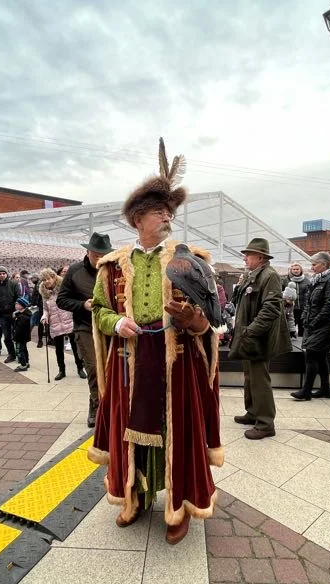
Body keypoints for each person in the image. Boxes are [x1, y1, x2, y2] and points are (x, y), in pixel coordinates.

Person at [88, 138, 222, 545]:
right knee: (128, 431)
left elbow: (210, 324)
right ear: (136, 221)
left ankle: (178, 507)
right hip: (130, 359)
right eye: (157, 211)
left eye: (169, 211)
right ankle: (134, 498)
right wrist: (116, 324)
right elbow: (97, 309)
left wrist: (193, 320)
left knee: (177, 434)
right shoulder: (112, 266)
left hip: (177, 363)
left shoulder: (193, 259)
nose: (166, 217)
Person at [229, 238, 291, 440]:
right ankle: (253, 412)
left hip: (258, 337)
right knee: (250, 377)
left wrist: (251, 330)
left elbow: (271, 307)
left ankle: (265, 424)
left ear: (260, 257)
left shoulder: (269, 276)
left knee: (259, 379)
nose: (245, 258)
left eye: (248, 255)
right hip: (249, 335)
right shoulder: (253, 275)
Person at [57, 231, 114, 427]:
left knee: (110, 371)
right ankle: (98, 409)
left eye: (103, 255)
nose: (100, 259)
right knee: (93, 369)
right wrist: (83, 305)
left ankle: (101, 403)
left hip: (110, 328)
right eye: (96, 255)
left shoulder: (113, 269)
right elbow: (61, 300)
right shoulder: (74, 271)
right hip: (85, 327)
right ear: (88, 252)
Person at [291, 252, 330, 401]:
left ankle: (306, 390)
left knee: (311, 355)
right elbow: (308, 302)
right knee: (320, 357)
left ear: (324, 264)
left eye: (314, 264)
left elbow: (329, 305)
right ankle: (325, 389)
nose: (312, 268)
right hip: (314, 324)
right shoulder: (315, 281)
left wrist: (314, 321)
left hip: (323, 325)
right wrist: (305, 317)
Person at [39, 268, 85, 380]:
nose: (46, 281)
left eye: (48, 278)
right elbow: (45, 309)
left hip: (69, 320)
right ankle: (61, 370)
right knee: (58, 349)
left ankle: (80, 368)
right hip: (55, 323)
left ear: (54, 277)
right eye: (44, 280)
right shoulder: (44, 293)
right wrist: (44, 316)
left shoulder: (64, 288)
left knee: (75, 347)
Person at [0, 265, 21, 362]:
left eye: (4, 273)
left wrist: (17, 311)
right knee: (7, 336)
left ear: (7, 274)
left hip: (14, 314)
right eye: (0, 274)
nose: (2, 275)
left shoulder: (14, 284)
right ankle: (12, 354)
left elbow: (19, 298)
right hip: (2, 315)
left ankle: (20, 354)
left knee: (18, 335)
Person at [284, 263, 310, 336]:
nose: (296, 271)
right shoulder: (286, 280)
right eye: (294, 269)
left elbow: (309, 294)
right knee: (290, 328)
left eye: (297, 269)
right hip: (290, 308)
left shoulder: (306, 281)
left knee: (302, 328)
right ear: (291, 270)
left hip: (303, 308)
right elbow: (282, 292)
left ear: (301, 270)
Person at [12, 296, 32, 372]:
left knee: (19, 350)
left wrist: (15, 337)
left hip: (20, 337)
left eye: (17, 304)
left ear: (21, 306)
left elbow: (18, 329)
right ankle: (26, 362)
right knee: (24, 349)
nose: (15, 305)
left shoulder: (23, 317)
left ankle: (23, 364)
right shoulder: (21, 315)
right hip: (24, 337)